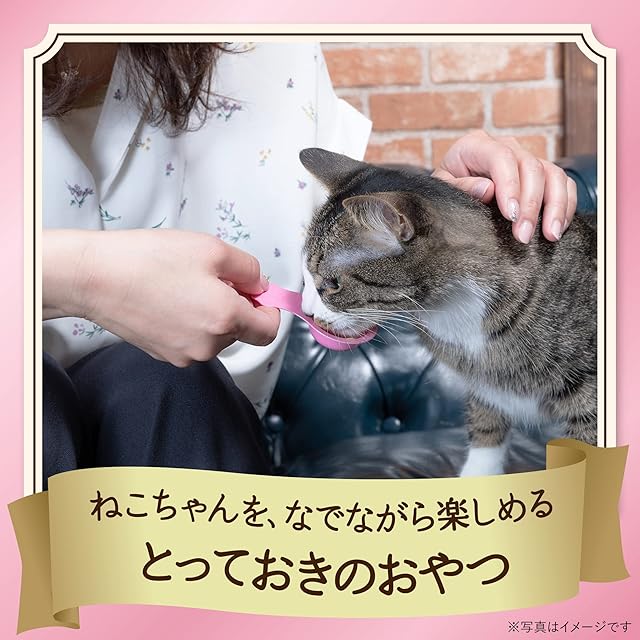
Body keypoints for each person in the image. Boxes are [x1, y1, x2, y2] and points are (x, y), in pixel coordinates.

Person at [42, 42, 577, 488]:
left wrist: (444, 204)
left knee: (168, 384)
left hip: (189, 415)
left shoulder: (268, 48)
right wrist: (79, 277)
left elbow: (361, 221)